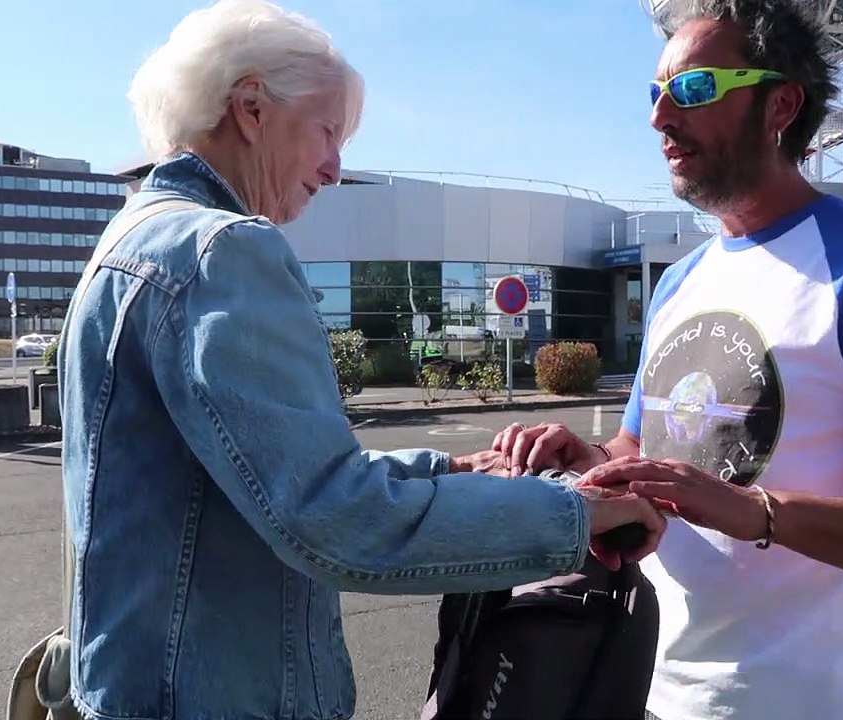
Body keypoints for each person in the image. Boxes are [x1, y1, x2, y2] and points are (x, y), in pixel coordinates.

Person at [55, 1, 665, 718]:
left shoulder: (130, 242)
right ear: (251, 108)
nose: (336, 168)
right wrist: (575, 515)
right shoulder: (225, 252)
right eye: (327, 132)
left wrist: (457, 469)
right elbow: (334, 518)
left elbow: (267, 477)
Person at [491, 1, 843, 718]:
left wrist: (753, 512)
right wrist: (584, 457)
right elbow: (644, 448)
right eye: (655, 95)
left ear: (781, 103)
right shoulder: (684, 281)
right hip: (644, 687)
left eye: (692, 90)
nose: (660, 118)